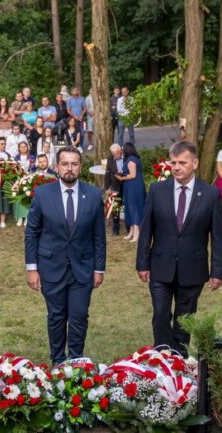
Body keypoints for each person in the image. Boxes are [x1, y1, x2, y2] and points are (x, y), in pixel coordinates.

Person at [136, 141, 222, 353]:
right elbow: (146, 229)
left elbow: (218, 236)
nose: (176, 167)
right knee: (160, 313)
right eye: (173, 162)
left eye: (182, 163)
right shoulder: (157, 190)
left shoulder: (211, 194)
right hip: (160, 265)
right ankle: (162, 354)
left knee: (185, 317)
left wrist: (218, 271)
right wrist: (142, 263)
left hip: (193, 267)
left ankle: (179, 357)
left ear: (195, 163)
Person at [25, 147, 107, 364]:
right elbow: (31, 232)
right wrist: (32, 268)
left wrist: (99, 269)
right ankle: (58, 361)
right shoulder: (42, 194)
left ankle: (77, 361)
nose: (69, 168)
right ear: (56, 167)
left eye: (74, 164)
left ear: (80, 167)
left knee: (79, 316)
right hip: (51, 267)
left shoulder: (93, 195)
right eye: (65, 164)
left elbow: (99, 236)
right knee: (56, 316)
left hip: (83, 268)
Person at [114, 142, 146, 242]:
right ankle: (131, 231)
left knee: (134, 208)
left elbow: (133, 175)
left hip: (134, 186)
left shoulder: (132, 160)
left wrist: (121, 177)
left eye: (123, 149)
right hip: (129, 186)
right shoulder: (128, 159)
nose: (122, 151)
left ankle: (137, 233)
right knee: (129, 207)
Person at [103, 144, 125, 236]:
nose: (115, 156)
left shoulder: (126, 157)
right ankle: (115, 228)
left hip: (126, 185)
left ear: (121, 151)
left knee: (128, 205)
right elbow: (107, 175)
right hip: (115, 186)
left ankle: (130, 226)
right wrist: (106, 188)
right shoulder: (110, 159)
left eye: (116, 154)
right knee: (115, 207)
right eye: (113, 154)